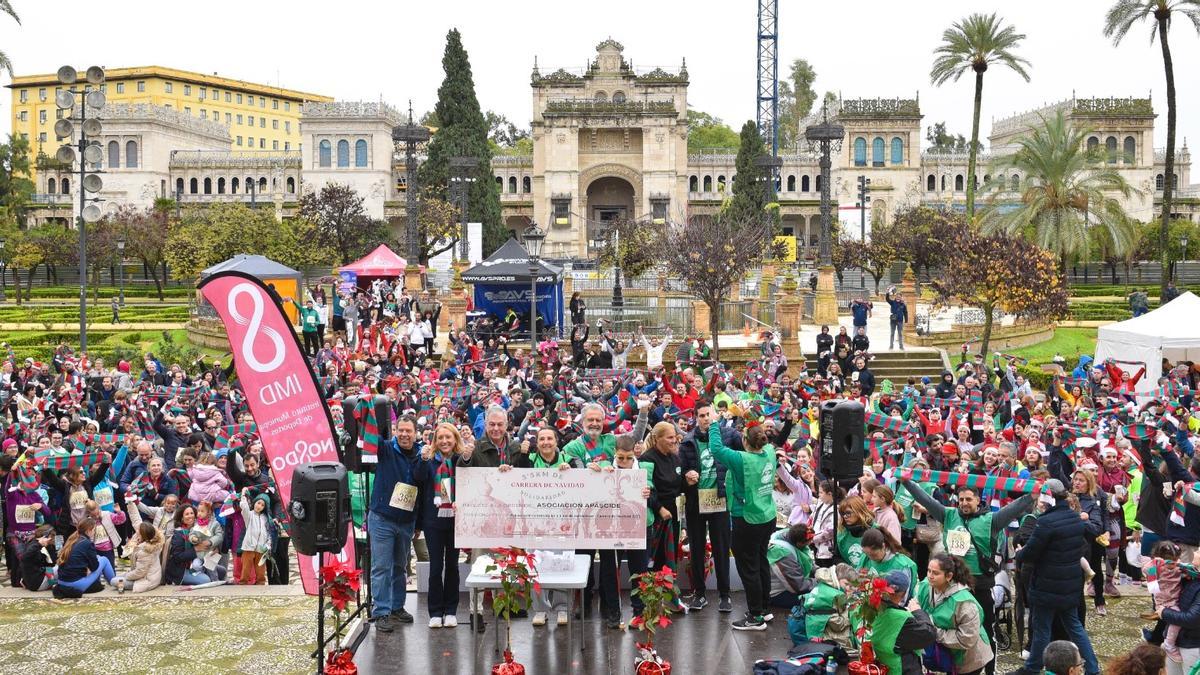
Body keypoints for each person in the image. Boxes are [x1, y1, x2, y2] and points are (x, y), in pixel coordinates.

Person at [1011, 479, 1100, 675]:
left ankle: (1033, 668)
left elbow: (1031, 553)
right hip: (1069, 585)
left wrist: (1019, 552)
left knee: (1042, 629)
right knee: (1075, 627)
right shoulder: (1075, 518)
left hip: (1046, 585)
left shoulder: (1046, 522)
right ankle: (1093, 668)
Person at [709, 418, 777, 631]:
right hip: (767, 515)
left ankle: (755, 617)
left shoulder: (741, 459)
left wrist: (713, 423)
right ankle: (764, 610)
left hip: (747, 518)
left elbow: (716, 448)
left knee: (749, 568)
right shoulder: (770, 452)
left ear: (745, 441)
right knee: (760, 560)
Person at [369, 417, 431, 633]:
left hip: (406, 521)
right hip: (382, 518)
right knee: (381, 567)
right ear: (395, 431)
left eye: (409, 431)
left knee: (400, 566)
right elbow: (367, 437)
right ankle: (381, 612)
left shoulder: (422, 454)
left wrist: (418, 523)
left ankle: (396, 607)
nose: (404, 434)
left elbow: (423, 488)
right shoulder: (385, 449)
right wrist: (366, 411)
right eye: (400, 430)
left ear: (416, 433)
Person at [679, 399, 738, 612]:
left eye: (708, 415)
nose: (705, 419)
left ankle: (725, 595)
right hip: (696, 502)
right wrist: (687, 476)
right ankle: (699, 593)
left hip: (720, 500)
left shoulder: (730, 436)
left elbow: (741, 459)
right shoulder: (687, 441)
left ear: (715, 415)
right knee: (697, 549)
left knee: (722, 548)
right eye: (701, 415)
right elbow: (681, 472)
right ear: (696, 417)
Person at [913, 553, 993, 675]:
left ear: (949, 576)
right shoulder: (925, 586)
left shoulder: (965, 603)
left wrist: (932, 630)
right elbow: (915, 605)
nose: (930, 576)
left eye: (935, 573)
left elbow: (966, 639)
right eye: (928, 571)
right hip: (948, 653)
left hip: (969, 659)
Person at [871, 569, 937, 675]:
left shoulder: (866, 608)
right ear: (903, 594)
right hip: (900, 669)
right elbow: (928, 634)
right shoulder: (901, 618)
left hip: (874, 667)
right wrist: (917, 611)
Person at [54, 518, 117, 598]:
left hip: (61, 582)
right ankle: (115, 581)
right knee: (104, 559)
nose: (94, 532)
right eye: (94, 530)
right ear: (88, 531)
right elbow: (95, 567)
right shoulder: (87, 543)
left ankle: (112, 580)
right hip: (76, 584)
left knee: (98, 557)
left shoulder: (72, 540)